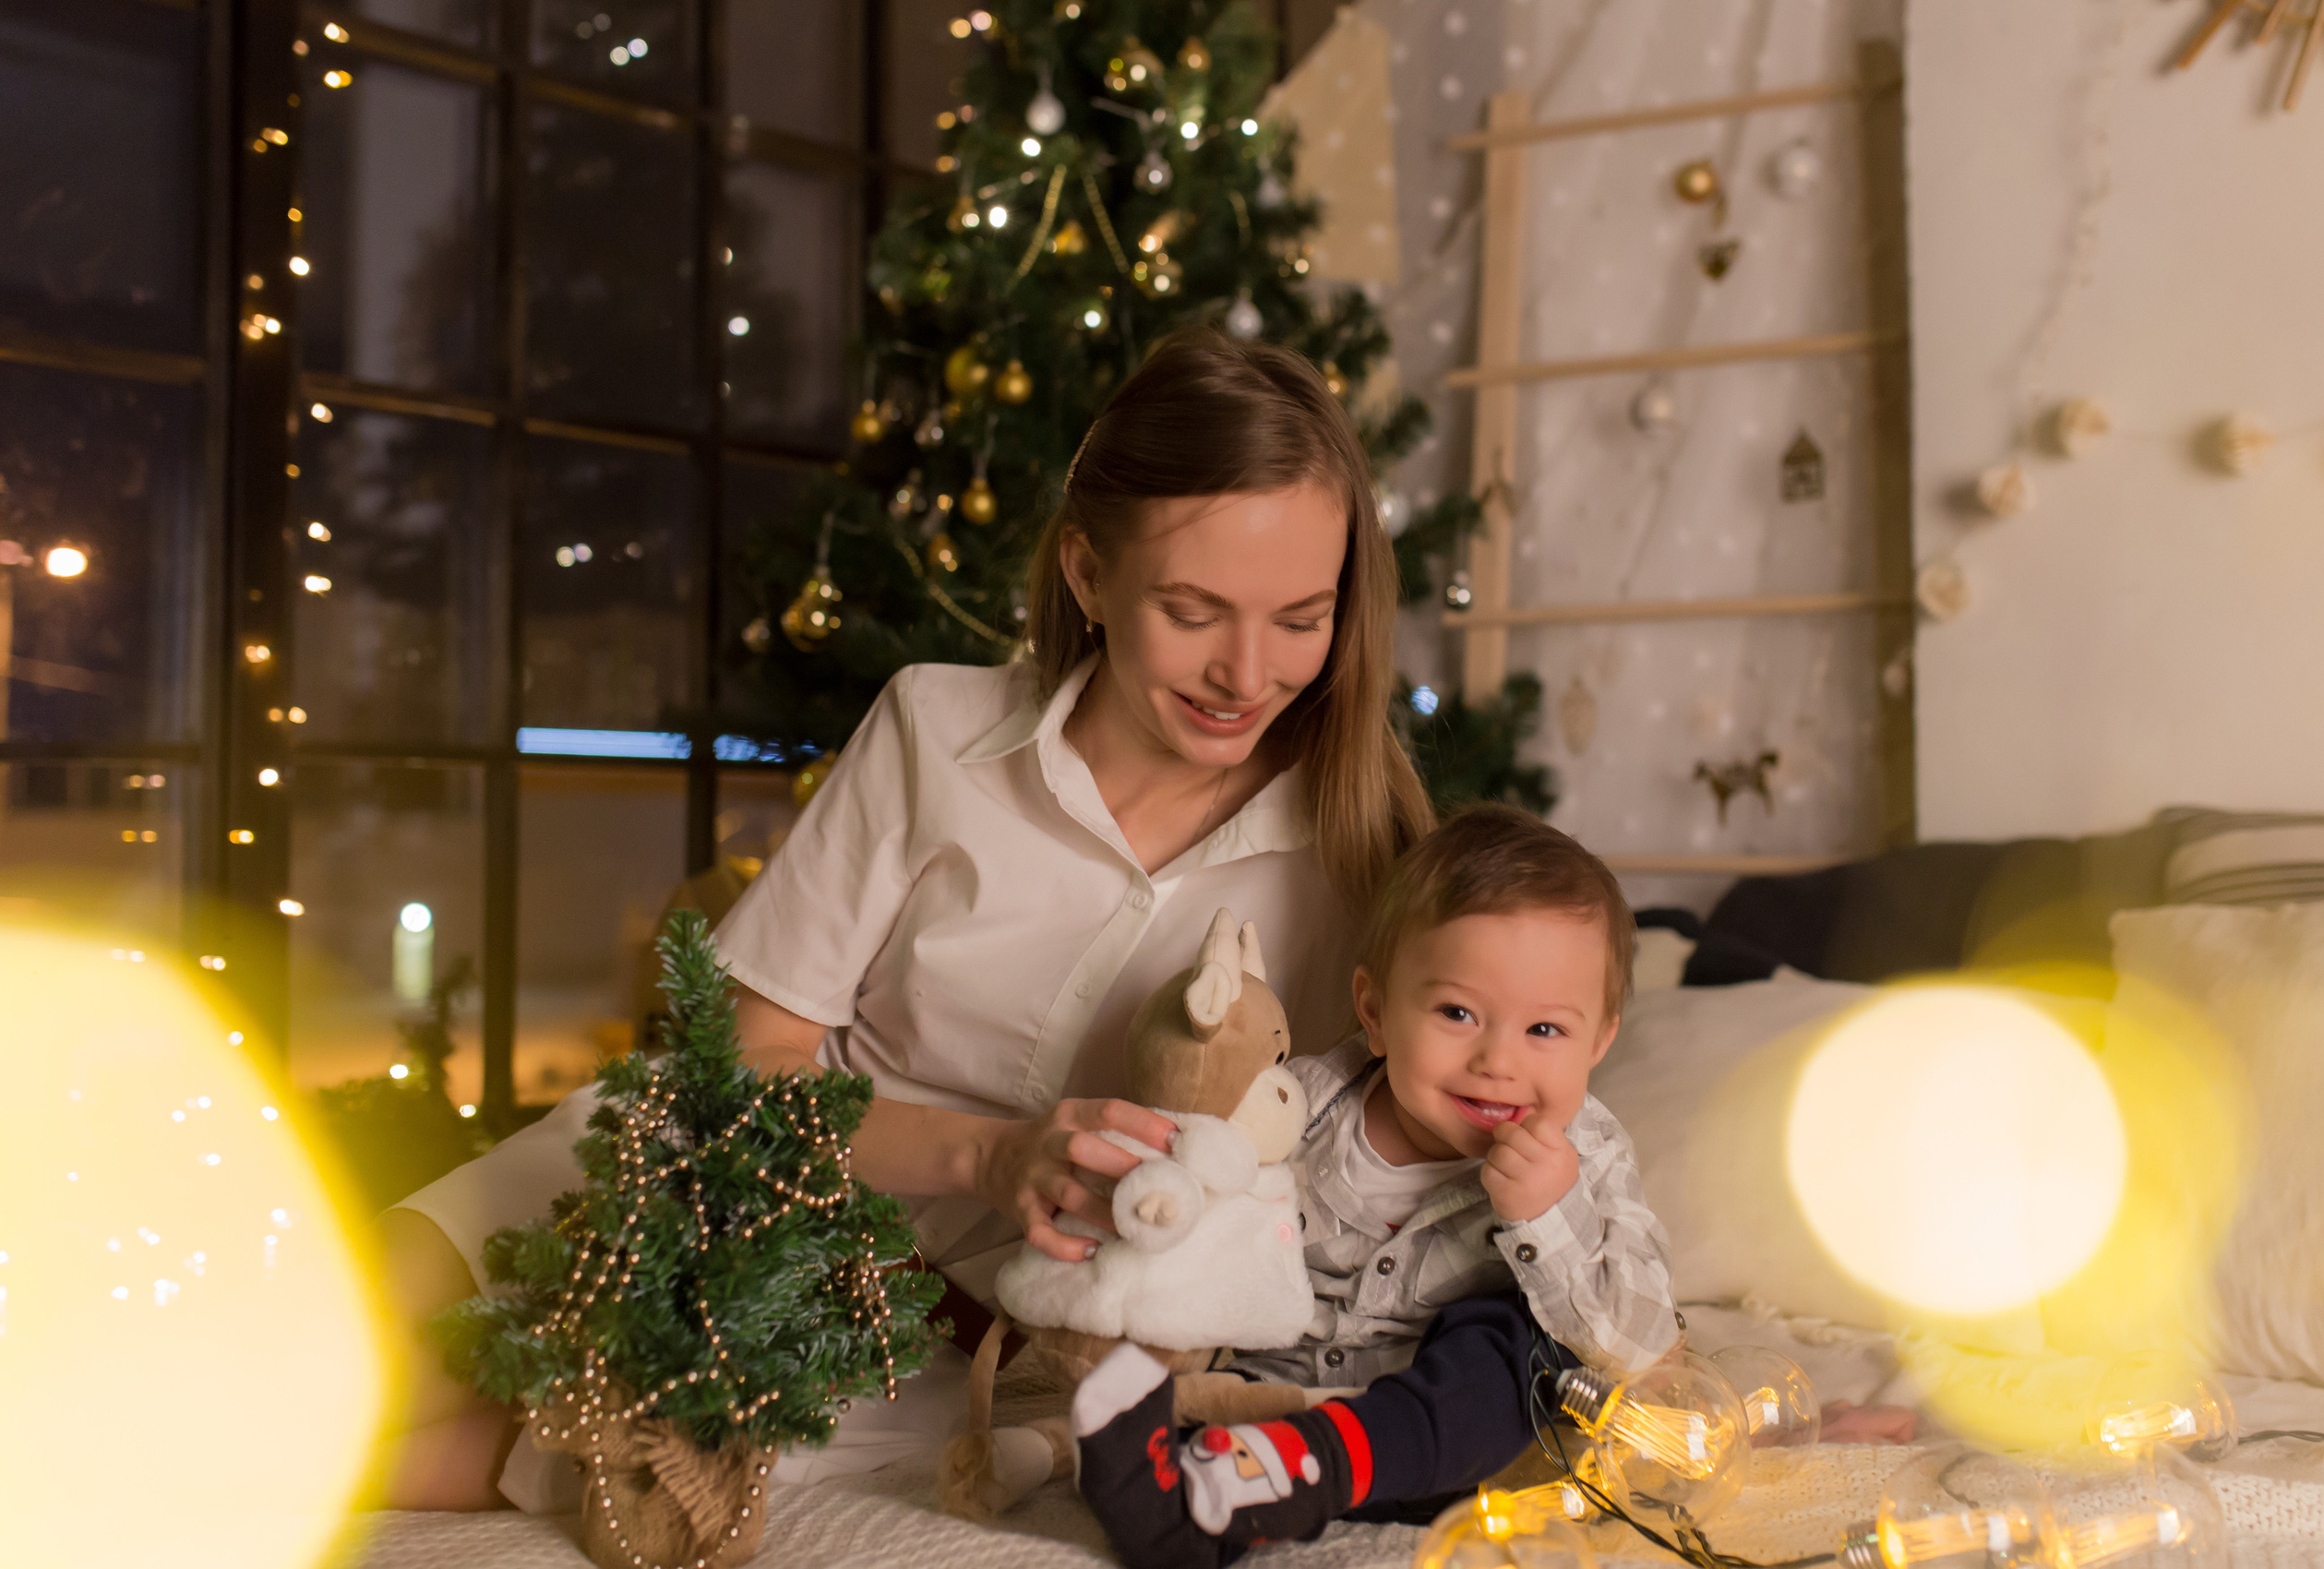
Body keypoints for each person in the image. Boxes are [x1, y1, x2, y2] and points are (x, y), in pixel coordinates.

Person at [375, 326, 1436, 1511]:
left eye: (1301, 617)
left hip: (910, 1348)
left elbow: (1410, 1134)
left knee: (366, 1459)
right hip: (707, 1175)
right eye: (1194, 610)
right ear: (1089, 574)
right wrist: (986, 1153)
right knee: (314, 1335)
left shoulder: (1360, 842)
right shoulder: (933, 729)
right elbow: (734, 1072)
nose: (1249, 672)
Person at [1070, 806, 1911, 1569]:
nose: (1498, 1060)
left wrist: (1548, 1214)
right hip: (1270, 1402)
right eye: (1457, 1015)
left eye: (1545, 1029)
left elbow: (1646, 1351)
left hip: (1457, 1444)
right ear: (1375, 1009)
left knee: (1518, 1339)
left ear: (1599, 1041)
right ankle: (1193, 1511)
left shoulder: (1590, 1156)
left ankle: (1309, 1465)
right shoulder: (1302, 1111)